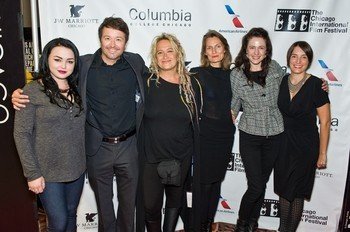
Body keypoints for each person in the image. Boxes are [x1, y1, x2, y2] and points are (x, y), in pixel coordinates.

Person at [12, 17, 148, 232]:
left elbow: (157, 84)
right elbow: (45, 87)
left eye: (118, 39)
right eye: (108, 38)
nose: (113, 44)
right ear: (100, 39)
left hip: (128, 146)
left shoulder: (136, 63)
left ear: (126, 42)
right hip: (97, 148)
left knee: (127, 205)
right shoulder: (83, 65)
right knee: (101, 207)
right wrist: (18, 93)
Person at [13, 38, 86, 232]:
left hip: (76, 168)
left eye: (69, 61)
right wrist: (32, 174)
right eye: (58, 59)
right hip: (47, 171)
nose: (63, 66)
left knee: (71, 214)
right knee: (59, 222)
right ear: (47, 59)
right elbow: (21, 134)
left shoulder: (78, 88)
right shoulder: (31, 91)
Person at [138, 33, 202, 232]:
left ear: (179, 53)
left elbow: (197, 120)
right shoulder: (146, 82)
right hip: (151, 157)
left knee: (175, 202)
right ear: (154, 57)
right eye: (160, 53)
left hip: (180, 156)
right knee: (150, 207)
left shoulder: (192, 85)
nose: (165, 56)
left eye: (170, 51)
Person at [230, 27, 286, 232]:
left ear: (266, 50)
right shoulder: (236, 74)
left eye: (260, 48)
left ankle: (252, 224)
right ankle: (242, 222)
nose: (256, 52)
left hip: (275, 133)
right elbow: (235, 100)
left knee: (261, 183)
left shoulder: (276, 69)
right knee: (255, 184)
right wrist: (232, 112)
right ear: (245, 50)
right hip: (250, 134)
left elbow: (293, 85)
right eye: (252, 47)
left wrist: (318, 84)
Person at [274, 41, 330, 232]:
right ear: (288, 58)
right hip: (282, 145)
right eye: (294, 56)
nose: (298, 61)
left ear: (309, 60)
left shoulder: (316, 85)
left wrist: (322, 154)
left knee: (296, 193)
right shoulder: (280, 81)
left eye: (303, 57)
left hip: (305, 147)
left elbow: (325, 122)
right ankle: (283, 229)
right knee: (283, 190)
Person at [190, 30, 235, 231]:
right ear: (205, 52)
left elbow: (261, 80)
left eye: (218, 46)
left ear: (224, 50)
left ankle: (208, 224)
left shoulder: (234, 75)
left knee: (216, 182)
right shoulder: (197, 74)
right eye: (209, 47)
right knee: (203, 184)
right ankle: (199, 226)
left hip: (225, 137)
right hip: (204, 136)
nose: (214, 51)